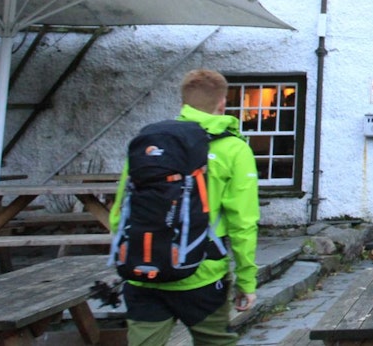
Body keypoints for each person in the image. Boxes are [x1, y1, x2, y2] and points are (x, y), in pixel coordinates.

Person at [109, 68, 260, 346]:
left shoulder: (150, 143)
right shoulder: (234, 149)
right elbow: (243, 223)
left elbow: (119, 213)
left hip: (144, 273)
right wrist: (246, 281)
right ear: (222, 103)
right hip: (201, 273)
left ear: (182, 104)